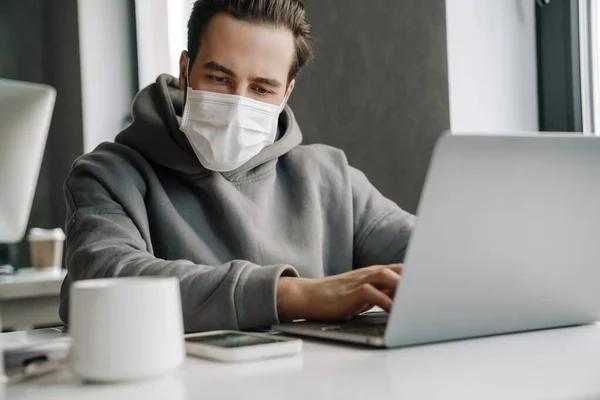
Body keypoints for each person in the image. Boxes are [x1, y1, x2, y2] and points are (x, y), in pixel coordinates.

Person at [59, 0, 416, 333]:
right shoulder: (106, 176)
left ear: (286, 94)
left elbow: (430, 255)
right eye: (219, 79)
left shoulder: (330, 176)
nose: (236, 104)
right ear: (185, 71)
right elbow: (106, 282)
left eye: (261, 89)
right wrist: (299, 295)